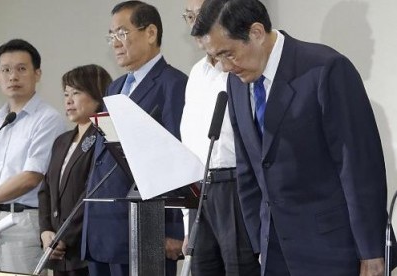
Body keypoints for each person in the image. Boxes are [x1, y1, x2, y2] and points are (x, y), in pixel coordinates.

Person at [191, 0, 393, 275]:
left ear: (257, 33)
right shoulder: (236, 85)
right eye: (217, 58)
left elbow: (359, 167)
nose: (225, 67)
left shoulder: (325, 69)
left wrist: (372, 250)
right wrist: (258, 242)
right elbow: (248, 169)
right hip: (273, 253)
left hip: (334, 250)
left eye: (229, 54)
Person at [80, 1, 187, 276]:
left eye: (122, 33)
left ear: (150, 33)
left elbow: (178, 160)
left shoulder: (173, 85)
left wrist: (175, 229)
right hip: (104, 225)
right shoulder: (115, 87)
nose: (115, 43)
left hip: (147, 229)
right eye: (111, 36)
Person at [0, 39, 66, 274]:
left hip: (22, 222)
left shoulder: (47, 119)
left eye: (21, 69)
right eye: (6, 70)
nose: (13, 76)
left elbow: (32, 176)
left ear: (37, 73)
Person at [179, 0, 260, 275]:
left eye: (199, 15)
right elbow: (188, 142)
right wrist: (188, 219)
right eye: (189, 16)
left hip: (236, 187)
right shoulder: (195, 73)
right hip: (199, 192)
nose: (194, 25)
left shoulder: (242, 67)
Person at [38, 64, 112, 276]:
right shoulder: (61, 141)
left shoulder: (105, 135)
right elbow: (46, 190)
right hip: (56, 250)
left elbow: (92, 192)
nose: (68, 100)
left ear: (97, 95)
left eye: (76, 93)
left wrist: (65, 235)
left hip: (85, 250)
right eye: (66, 94)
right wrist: (46, 232)